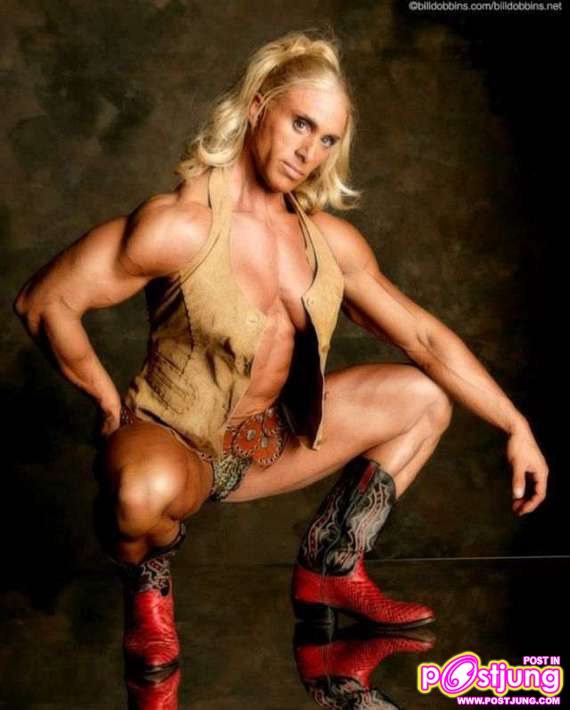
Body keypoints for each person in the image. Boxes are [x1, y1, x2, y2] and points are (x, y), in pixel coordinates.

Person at [13, 30, 549, 682]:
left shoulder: (329, 243)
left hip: (273, 442)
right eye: (301, 124)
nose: (309, 152)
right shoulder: (181, 224)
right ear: (259, 106)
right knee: (137, 493)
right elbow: (44, 301)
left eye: (327, 139)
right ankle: (148, 592)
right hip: (179, 444)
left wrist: (515, 425)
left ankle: (331, 564)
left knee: (424, 398)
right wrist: (103, 397)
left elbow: (424, 339)